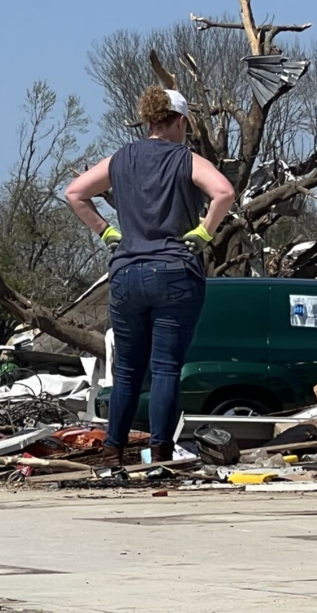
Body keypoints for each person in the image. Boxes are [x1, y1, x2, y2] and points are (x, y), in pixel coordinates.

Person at [64, 86, 235, 465]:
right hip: (175, 271)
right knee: (165, 369)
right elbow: (223, 191)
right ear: (180, 121)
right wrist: (204, 232)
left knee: (125, 370)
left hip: (126, 272)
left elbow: (75, 193)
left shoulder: (120, 159)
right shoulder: (185, 159)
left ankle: (113, 450)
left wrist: (107, 232)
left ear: (147, 121)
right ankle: (159, 452)